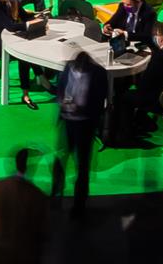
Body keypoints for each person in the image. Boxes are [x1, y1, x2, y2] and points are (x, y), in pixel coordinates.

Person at [53, 47, 108, 216]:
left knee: (82, 167)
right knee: (60, 160)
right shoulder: (68, 68)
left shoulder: (98, 73)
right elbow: (61, 89)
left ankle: (79, 207)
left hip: (85, 125)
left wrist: (82, 108)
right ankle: (55, 195)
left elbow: (101, 100)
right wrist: (62, 104)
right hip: (67, 122)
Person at [0, 149, 48, 264]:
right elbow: (43, 231)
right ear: (33, 168)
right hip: (27, 254)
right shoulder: (39, 196)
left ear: (16, 163)